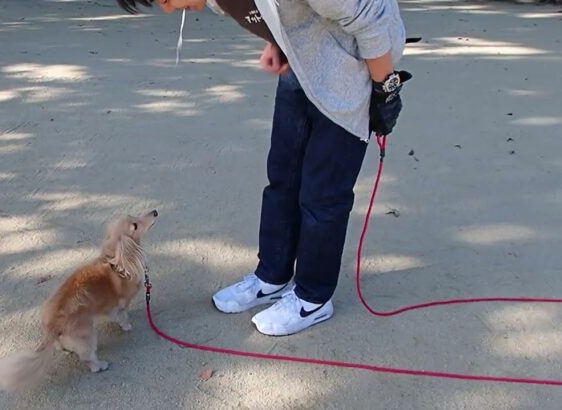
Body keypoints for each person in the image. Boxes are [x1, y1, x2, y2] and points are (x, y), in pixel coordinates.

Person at [118, 0, 411, 336]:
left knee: (322, 194)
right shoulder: (215, 1)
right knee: (282, 179)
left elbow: (370, 17)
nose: (170, 10)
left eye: (166, 0)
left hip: (351, 63)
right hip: (302, 60)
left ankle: (314, 298)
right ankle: (272, 276)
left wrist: (385, 89)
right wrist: (277, 41)